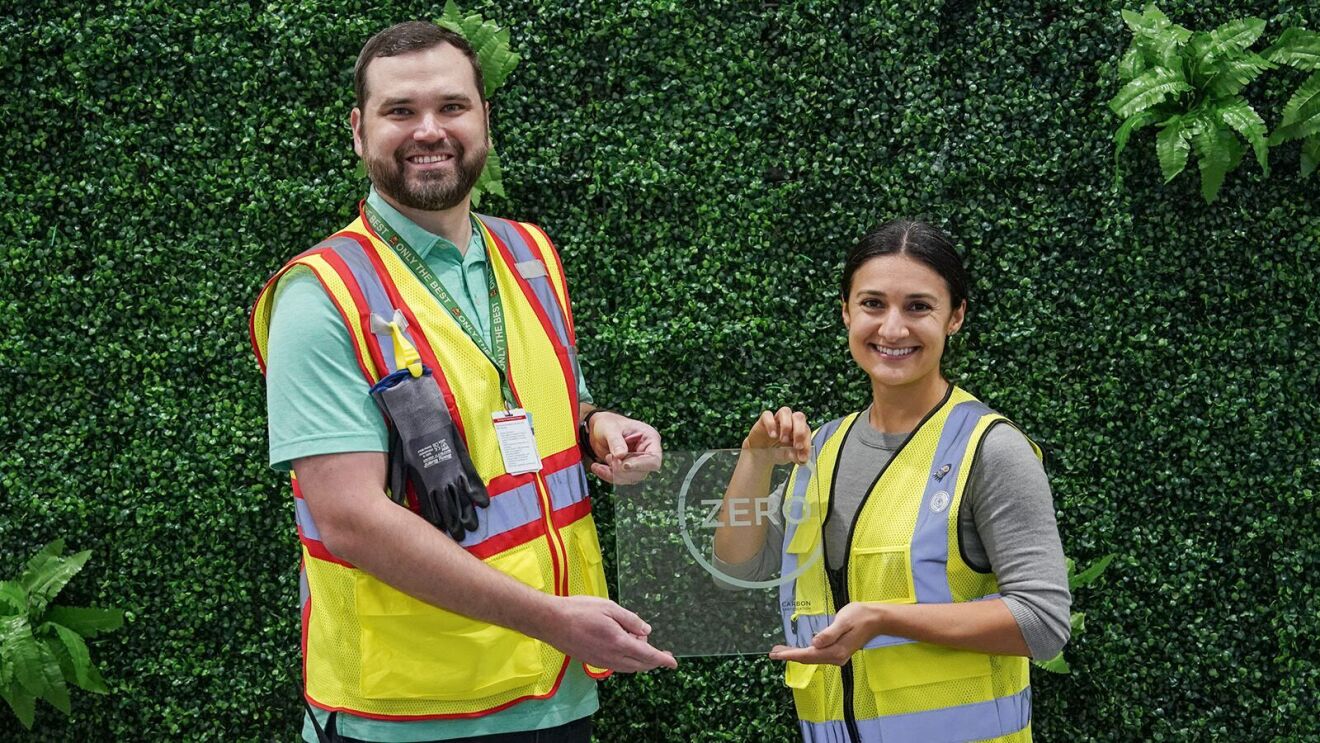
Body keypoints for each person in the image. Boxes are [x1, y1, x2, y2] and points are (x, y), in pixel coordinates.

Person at [248, 21, 675, 743]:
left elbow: (533, 399)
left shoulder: (529, 249)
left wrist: (596, 423)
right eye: (399, 111)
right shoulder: (320, 294)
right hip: (410, 711)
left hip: (555, 686)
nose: (429, 130)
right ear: (358, 130)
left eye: (452, 106)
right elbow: (349, 518)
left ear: (484, 119)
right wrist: (550, 615)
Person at [713, 221, 1071, 742]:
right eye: (873, 304)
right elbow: (736, 569)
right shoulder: (822, 447)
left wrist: (885, 619)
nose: (893, 329)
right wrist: (754, 460)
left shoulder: (989, 450)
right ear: (846, 313)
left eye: (919, 307)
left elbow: (1041, 624)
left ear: (956, 317)